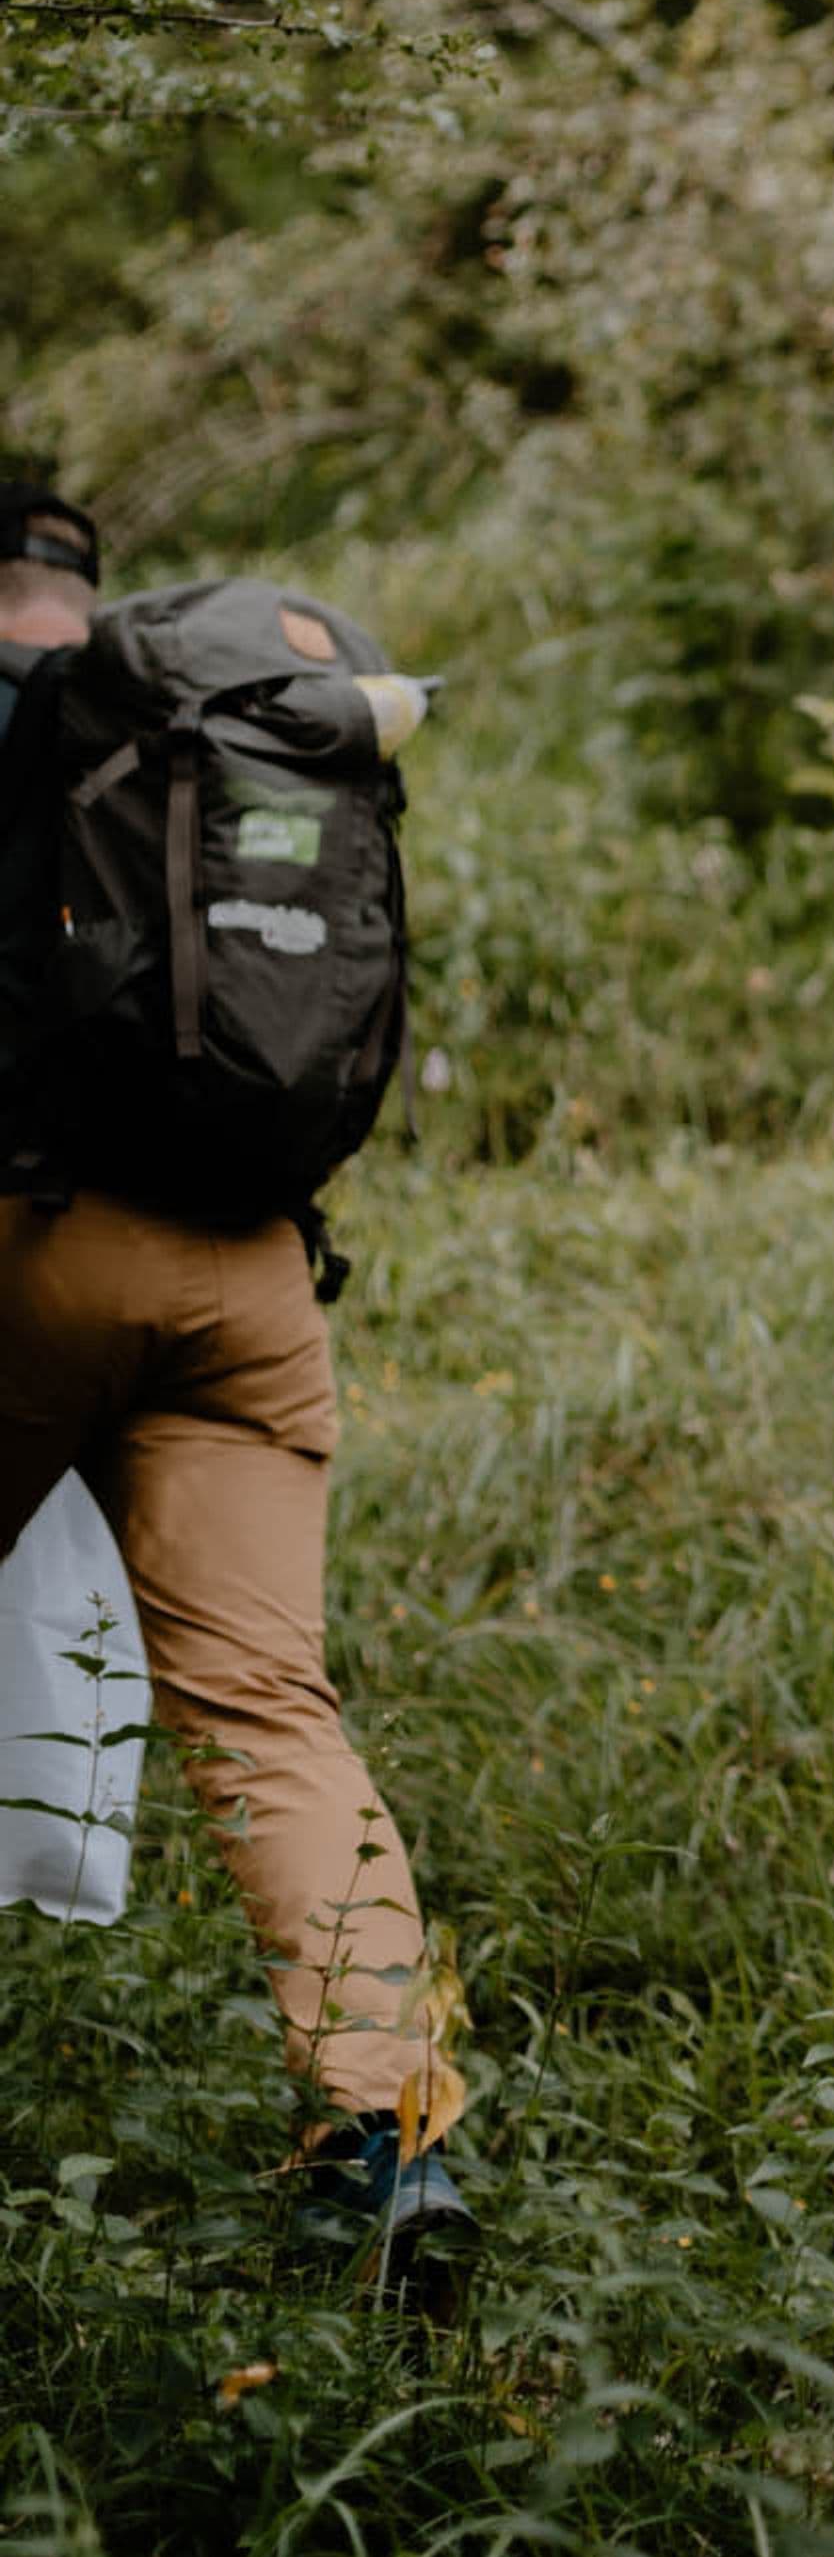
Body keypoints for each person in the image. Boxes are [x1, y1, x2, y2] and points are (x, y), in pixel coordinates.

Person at [0, 484, 475, 2300]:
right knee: (273, 1711)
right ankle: (393, 2138)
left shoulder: (45, 736)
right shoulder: (214, 731)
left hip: (36, 1245)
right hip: (254, 1273)